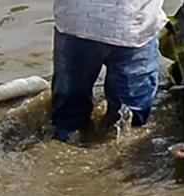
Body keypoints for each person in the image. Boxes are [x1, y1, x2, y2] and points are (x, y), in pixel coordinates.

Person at [51, 0, 167, 141]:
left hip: (76, 21)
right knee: (129, 122)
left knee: (69, 116)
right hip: (132, 27)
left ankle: (65, 144)